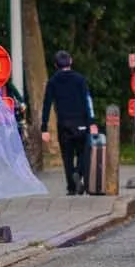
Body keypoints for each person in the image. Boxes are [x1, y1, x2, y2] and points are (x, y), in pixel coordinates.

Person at [40, 52, 97, 196]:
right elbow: (87, 100)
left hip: (64, 123)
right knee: (83, 153)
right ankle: (79, 172)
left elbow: (47, 104)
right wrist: (91, 122)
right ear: (71, 61)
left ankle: (71, 187)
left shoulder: (53, 82)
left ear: (55, 65)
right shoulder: (80, 79)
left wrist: (44, 128)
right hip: (81, 122)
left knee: (67, 156)